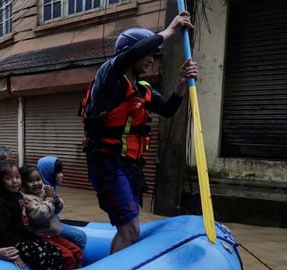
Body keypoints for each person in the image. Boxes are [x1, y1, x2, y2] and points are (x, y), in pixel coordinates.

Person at [80, 11, 199, 253]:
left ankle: (116, 265)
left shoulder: (142, 89)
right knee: (130, 230)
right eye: (147, 54)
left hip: (130, 166)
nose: (150, 60)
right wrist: (169, 32)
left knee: (130, 227)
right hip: (107, 163)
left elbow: (167, 110)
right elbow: (130, 55)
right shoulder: (109, 76)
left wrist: (180, 85)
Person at [0, 160, 65, 270]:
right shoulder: (0, 202)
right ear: (0, 181)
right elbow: (2, 232)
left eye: (17, 177)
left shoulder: (18, 196)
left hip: (26, 238)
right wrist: (13, 254)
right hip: (15, 243)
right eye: (8, 178)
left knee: (56, 252)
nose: (14, 181)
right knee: (45, 258)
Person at [20, 165, 83, 270]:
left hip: (54, 234)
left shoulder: (44, 191)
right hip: (43, 237)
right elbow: (40, 215)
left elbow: (57, 209)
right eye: (30, 181)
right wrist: (49, 200)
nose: (36, 183)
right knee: (66, 256)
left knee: (77, 251)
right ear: (23, 184)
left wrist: (56, 200)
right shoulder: (26, 199)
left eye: (38, 179)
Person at [37, 156, 87, 249]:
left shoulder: (51, 186)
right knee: (80, 237)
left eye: (61, 171)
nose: (61, 175)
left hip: (53, 222)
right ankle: (79, 262)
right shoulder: (42, 189)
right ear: (48, 173)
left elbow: (56, 210)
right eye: (58, 172)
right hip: (46, 226)